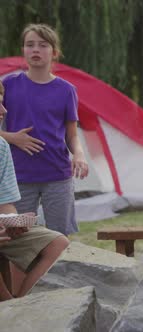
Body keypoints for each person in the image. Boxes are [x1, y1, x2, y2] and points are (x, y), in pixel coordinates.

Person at [0, 23, 88, 236]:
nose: (35, 50)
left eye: (43, 45)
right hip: (18, 177)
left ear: (54, 53)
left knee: (60, 236)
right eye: (29, 45)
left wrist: (79, 154)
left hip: (57, 175)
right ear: (23, 50)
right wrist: (12, 138)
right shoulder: (8, 85)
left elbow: (72, 135)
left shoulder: (67, 90)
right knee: (18, 238)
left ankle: (58, 270)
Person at [0, 80, 69, 301]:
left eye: (2, 103)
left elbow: (6, 203)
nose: (4, 111)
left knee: (58, 244)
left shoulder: (1, 147)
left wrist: (12, 222)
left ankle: (22, 305)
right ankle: (8, 307)